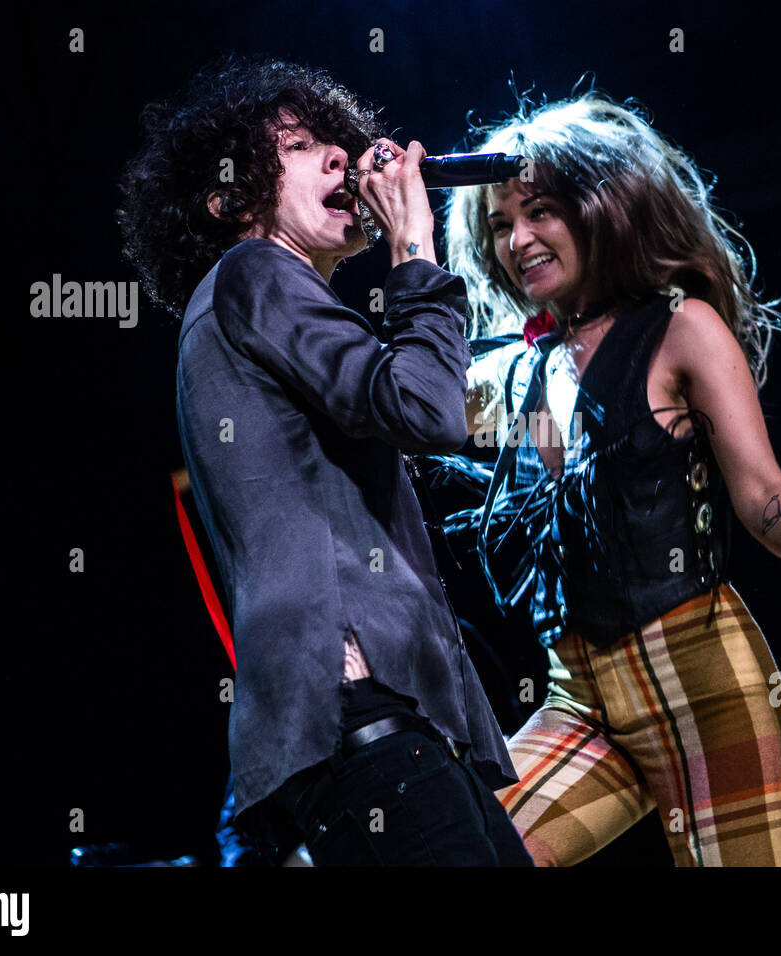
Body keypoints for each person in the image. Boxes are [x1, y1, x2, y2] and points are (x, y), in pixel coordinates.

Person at [446, 91, 781, 866]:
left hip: (704, 680)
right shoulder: (514, 373)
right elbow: (385, 400)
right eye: (500, 225)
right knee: (477, 854)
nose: (519, 239)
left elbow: (760, 493)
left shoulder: (681, 328)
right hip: (578, 695)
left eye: (540, 211)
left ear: (600, 208)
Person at [117, 55, 531, 866]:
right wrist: (414, 247)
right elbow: (424, 409)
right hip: (358, 711)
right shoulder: (252, 271)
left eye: (340, 142)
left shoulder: (263, 304)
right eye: (305, 145)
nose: (343, 158)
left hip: (382, 718)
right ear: (229, 197)